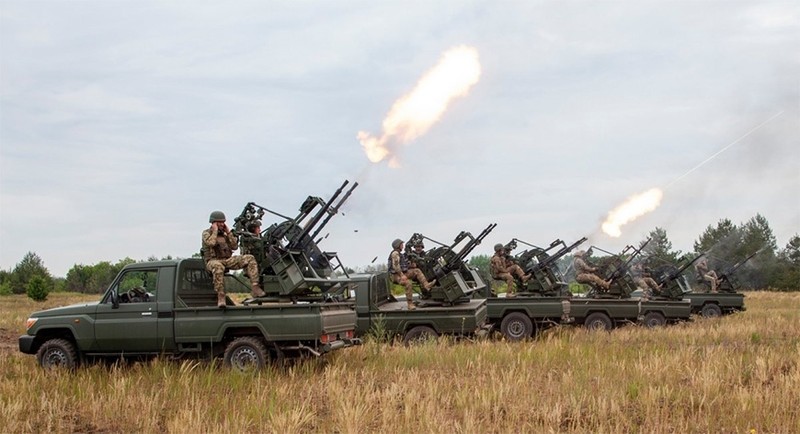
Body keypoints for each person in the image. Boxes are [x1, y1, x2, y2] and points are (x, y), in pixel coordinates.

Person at [202, 211, 266, 308]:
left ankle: (255, 286)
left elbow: (234, 246)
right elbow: (211, 243)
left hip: (227, 260)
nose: (222, 224)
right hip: (212, 261)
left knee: (249, 258)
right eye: (219, 222)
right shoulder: (206, 233)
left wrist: (228, 233)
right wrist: (215, 231)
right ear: (213, 222)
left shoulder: (224, 234)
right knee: (218, 266)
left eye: (223, 222)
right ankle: (221, 295)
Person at [388, 239, 435, 310]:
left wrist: (410, 266)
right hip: (396, 276)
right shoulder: (395, 253)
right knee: (408, 283)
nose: (403, 246)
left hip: (402, 273)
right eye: (401, 245)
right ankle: (410, 304)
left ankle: (426, 285)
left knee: (417, 271)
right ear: (398, 245)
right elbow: (396, 266)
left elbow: (403, 265)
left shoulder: (400, 254)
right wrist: (402, 275)